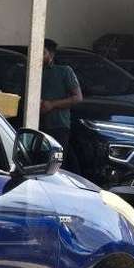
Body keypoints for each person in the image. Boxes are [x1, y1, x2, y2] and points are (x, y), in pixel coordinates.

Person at [39, 38, 83, 170]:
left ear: (51, 55)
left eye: (43, 52)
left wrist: (52, 104)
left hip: (58, 125)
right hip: (36, 125)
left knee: (56, 163)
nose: (38, 56)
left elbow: (77, 97)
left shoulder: (64, 71)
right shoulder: (30, 71)